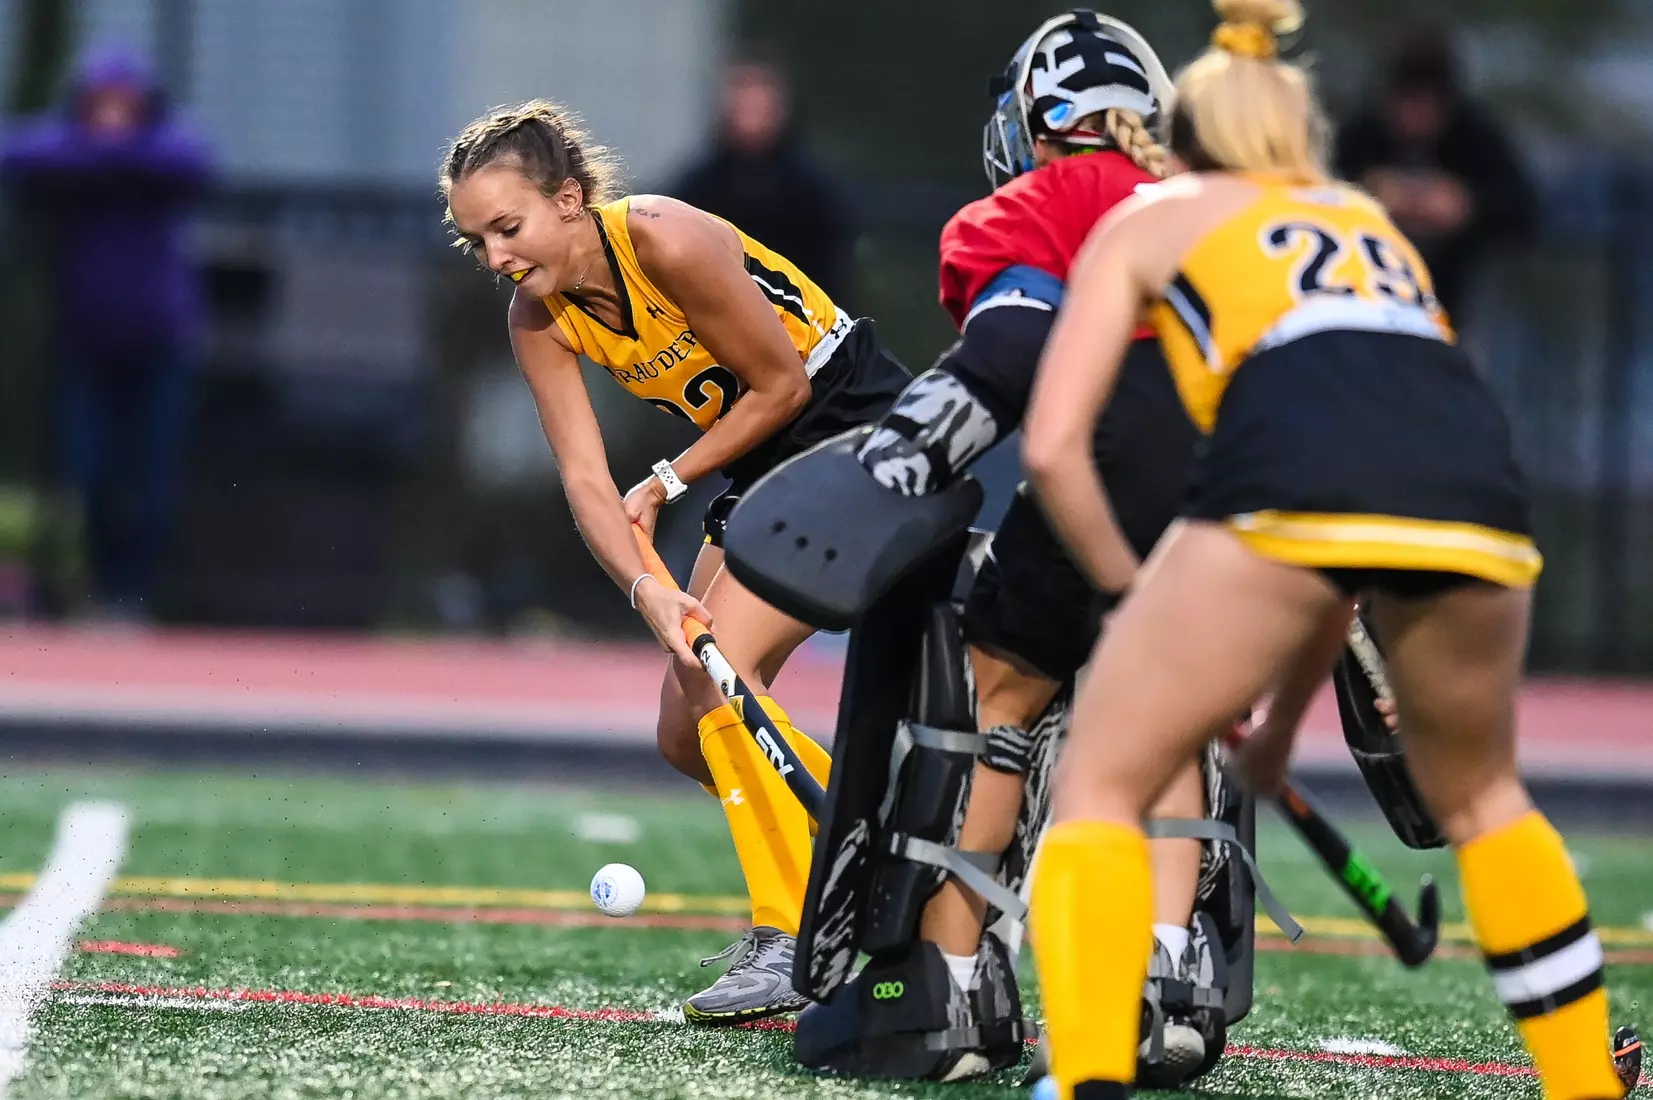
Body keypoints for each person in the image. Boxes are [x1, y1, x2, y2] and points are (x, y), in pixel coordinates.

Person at [1020, 2, 1633, 1099]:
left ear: (1186, 135)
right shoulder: (1365, 222)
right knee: (1486, 792)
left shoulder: (1154, 216)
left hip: (1295, 479)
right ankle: (1586, 1083)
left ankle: (1085, 1082)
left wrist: (1129, 597)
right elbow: (1359, 523)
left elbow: (1057, 447)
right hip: (1476, 481)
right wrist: (1284, 718)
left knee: (1103, 778)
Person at [793, 12, 1227, 1085]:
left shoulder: (1037, 198)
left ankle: (950, 981)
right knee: (1164, 700)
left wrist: (890, 465)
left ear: (1034, 126)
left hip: (1118, 446)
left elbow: (1013, 346)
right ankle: (1165, 978)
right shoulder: (1225, 203)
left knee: (997, 687)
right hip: (1246, 473)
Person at [440, 101, 909, 1025]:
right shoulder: (536, 319)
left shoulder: (666, 238)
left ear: (569, 199)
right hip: (764, 465)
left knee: (717, 671)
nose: (497, 257)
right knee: (684, 731)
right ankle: (893, 840)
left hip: (858, 432)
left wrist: (664, 478)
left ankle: (793, 934)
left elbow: (784, 384)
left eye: (508, 228)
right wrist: (648, 586)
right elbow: (582, 477)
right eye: (476, 243)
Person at [0, 45, 214, 621]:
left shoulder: (160, 163)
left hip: (161, 342)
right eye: (102, 105)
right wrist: (99, 154)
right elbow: (21, 150)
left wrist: (108, 155)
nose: (114, 116)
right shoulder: (76, 164)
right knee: (89, 474)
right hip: (88, 345)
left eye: (126, 105)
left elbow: (190, 159)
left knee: (151, 481)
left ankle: (132, 595)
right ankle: (99, 589)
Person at [1335, 28, 1536, 321]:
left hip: (1455, 300)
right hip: (1366, 302)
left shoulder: (1474, 136)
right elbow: (1320, 189)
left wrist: (1467, 205)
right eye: (1407, 104)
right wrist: (1367, 197)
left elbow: (1524, 209)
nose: (1415, 117)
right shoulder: (1363, 134)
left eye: (1425, 106)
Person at [667, 53, 854, 307]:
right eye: (743, 106)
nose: (751, 118)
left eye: (759, 107)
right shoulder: (695, 189)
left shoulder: (814, 194)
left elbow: (833, 276)